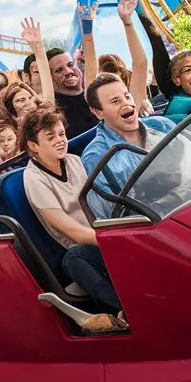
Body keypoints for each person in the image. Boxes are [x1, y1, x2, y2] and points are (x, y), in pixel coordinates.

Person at [20, 107, 127, 333]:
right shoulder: (33, 178)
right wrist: (113, 239)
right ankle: (122, 310)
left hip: (103, 232)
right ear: (33, 146)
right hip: (81, 246)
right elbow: (70, 230)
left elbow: (101, 200)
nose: (60, 141)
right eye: (51, 138)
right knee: (75, 258)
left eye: (61, 134)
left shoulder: (74, 161)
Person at [79, 0, 170, 218]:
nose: (126, 104)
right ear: (98, 112)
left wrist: (128, 22)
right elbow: (120, 214)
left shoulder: (161, 125)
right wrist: (87, 32)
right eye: (115, 101)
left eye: (126, 96)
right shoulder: (98, 155)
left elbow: (140, 65)